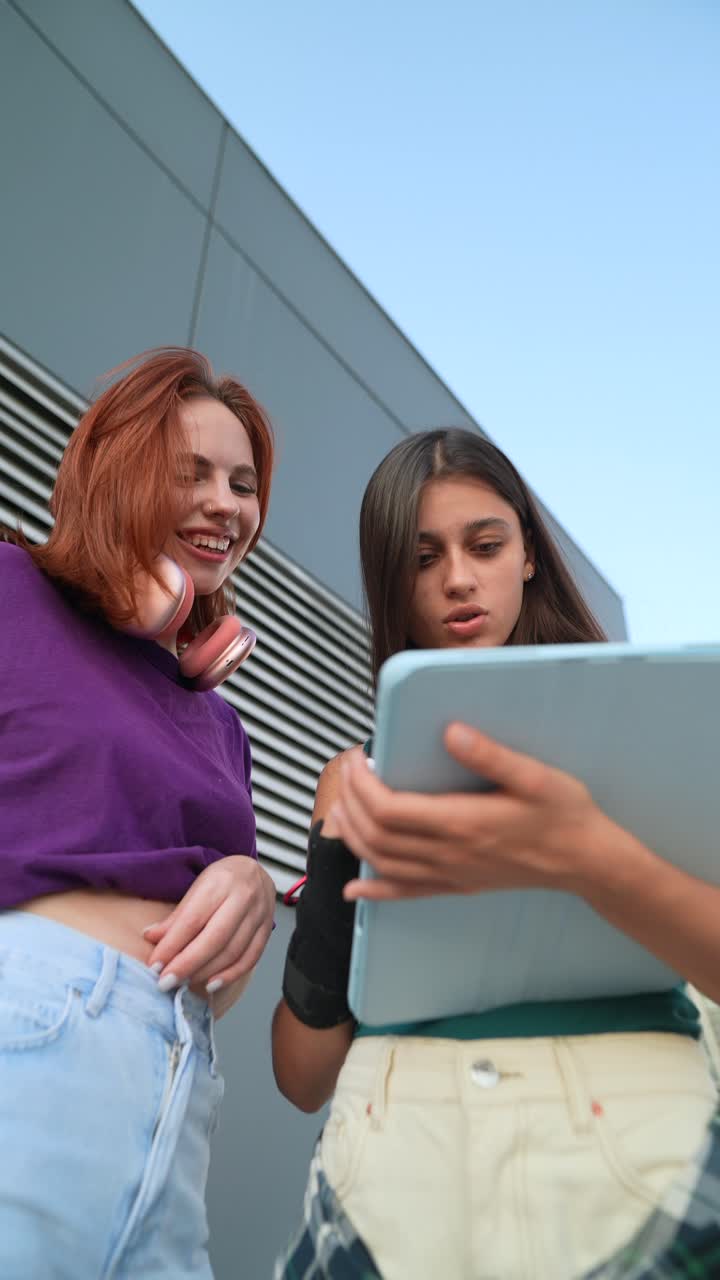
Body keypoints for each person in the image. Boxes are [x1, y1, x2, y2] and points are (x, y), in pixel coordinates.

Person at [272, 428, 720, 1280]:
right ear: (390, 581)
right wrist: (334, 874)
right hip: (396, 1164)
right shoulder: (356, 781)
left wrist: (585, 856)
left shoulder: (653, 730)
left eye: (485, 546)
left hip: (627, 1145)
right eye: (422, 558)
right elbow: (302, 1079)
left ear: (528, 556)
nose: (457, 579)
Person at [0, 347, 277, 1279]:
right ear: (119, 473)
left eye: (243, 484)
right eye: (192, 473)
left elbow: (217, 980)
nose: (226, 504)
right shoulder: (11, 591)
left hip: (178, 1083)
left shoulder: (222, 725)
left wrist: (246, 890)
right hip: (31, 1032)